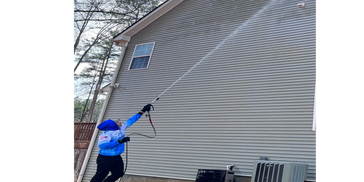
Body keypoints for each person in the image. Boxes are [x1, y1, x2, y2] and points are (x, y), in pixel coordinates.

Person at [90, 104, 153, 182]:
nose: (120, 122)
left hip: (116, 157)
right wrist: (119, 141)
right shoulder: (106, 134)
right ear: (113, 124)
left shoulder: (120, 128)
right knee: (100, 176)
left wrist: (142, 111)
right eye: (118, 122)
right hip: (105, 158)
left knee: (118, 173)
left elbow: (130, 121)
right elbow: (102, 145)